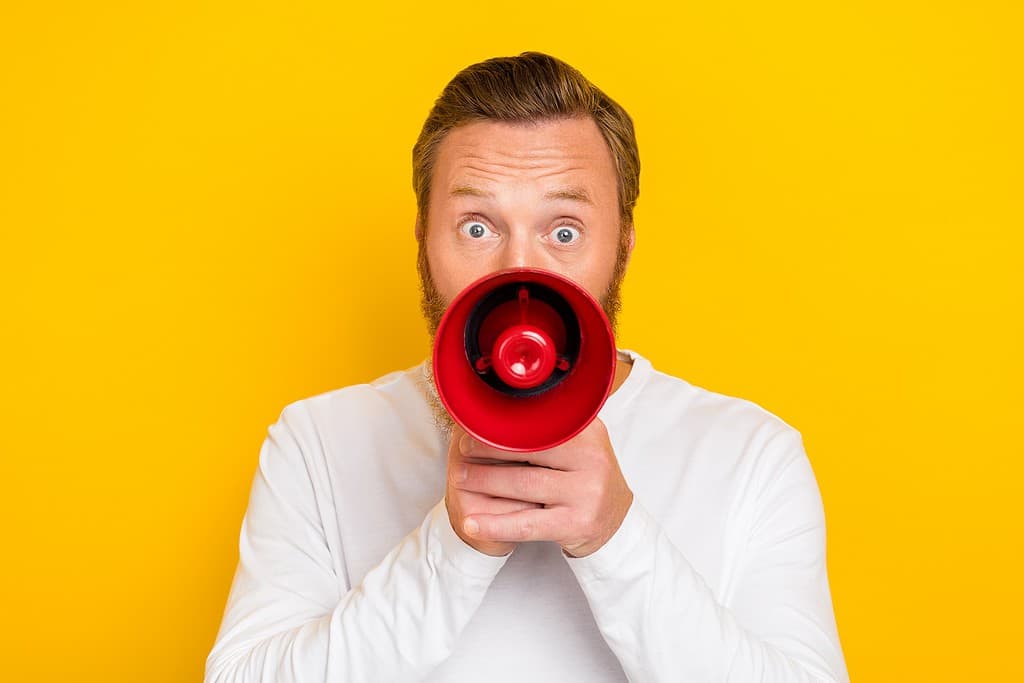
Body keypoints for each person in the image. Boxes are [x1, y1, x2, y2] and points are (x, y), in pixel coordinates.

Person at [205, 51, 849, 682]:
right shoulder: (318, 444)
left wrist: (617, 538)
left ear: (623, 243)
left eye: (563, 231)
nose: (520, 269)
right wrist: (453, 548)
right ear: (423, 239)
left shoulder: (752, 456)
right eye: (477, 228)